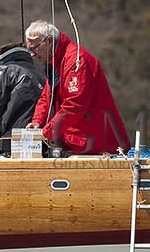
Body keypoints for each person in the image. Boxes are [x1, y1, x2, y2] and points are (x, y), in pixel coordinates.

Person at [24, 21, 131, 155]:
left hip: (94, 145)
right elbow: (47, 96)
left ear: (50, 41)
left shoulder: (77, 61)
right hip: (75, 142)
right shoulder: (55, 63)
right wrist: (37, 121)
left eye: (35, 48)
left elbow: (75, 105)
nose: (32, 55)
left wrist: (47, 132)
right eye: (29, 50)